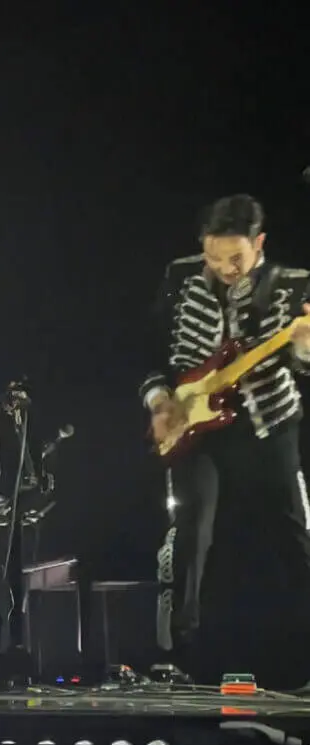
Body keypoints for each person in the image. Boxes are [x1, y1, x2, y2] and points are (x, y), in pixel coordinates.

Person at [144, 194, 310, 686]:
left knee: (294, 534)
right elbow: (150, 348)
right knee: (191, 532)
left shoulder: (293, 286)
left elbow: (299, 365)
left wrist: (303, 351)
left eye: (235, 259)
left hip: (267, 426)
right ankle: (183, 656)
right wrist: (159, 402)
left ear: (260, 244)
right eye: (214, 258)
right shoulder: (179, 277)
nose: (225, 269)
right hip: (193, 423)